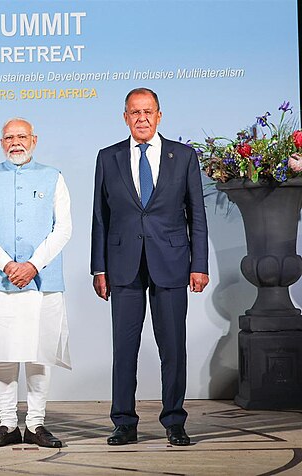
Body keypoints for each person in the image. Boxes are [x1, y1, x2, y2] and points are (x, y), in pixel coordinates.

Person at [91, 88, 209, 446]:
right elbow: (100, 217)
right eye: (134, 112)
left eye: (147, 112)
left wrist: (199, 264)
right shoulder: (108, 157)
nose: (141, 118)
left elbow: (197, 215)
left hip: (171, 262)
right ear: (125, 117)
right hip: (122, 265)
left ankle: (174, 421)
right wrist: (99, 268)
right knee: (124, 348)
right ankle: (124, 422)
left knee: (172, 346)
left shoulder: (183, 156)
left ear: (159, 115)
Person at [0, 118, 72, 449]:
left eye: (22, 136)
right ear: (2, 143)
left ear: (34, 140)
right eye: (9, 137)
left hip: (42, 281)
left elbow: (63, 228)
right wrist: (7, 264)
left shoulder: (53, 177)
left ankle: (36, 423)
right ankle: (8, 423)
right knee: (3, 349)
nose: (16, 142)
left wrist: (32, 265)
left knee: (39, 351)